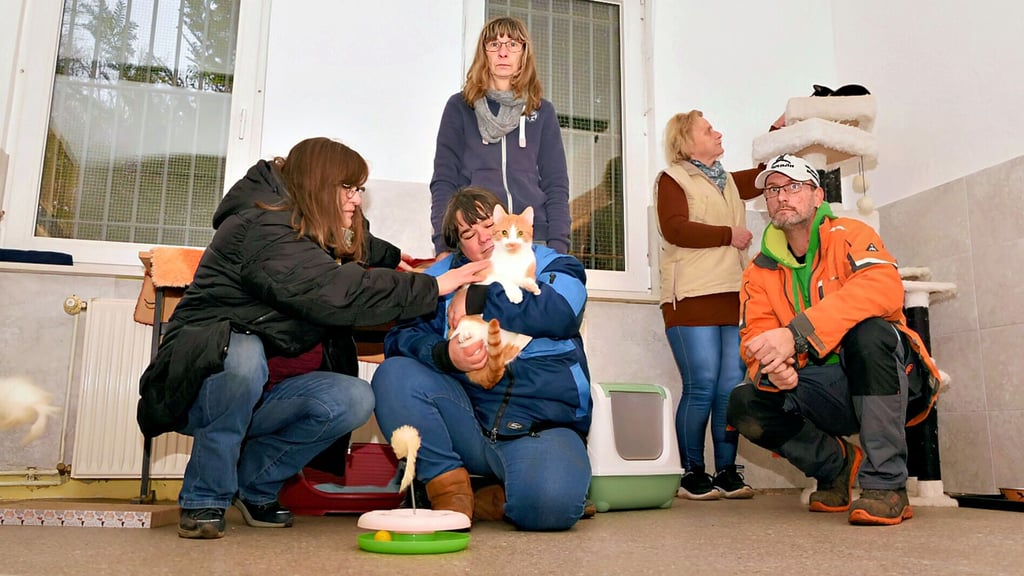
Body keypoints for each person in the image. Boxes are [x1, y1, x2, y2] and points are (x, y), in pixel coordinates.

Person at [136, 137, 488, 539]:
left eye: (360, 189)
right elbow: (335, 290)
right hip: (203, 380)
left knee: (354, 396)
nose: (356, 198)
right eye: (349, 188)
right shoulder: (261, 225)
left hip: (267, 393)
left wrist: (395, 258)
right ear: (321, 185)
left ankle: (255, 487)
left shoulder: (312, 221)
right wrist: (435, 287)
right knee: (244, 354)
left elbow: (356, 244)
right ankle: (204, 498)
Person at [726, 153, 941, 526]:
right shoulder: (758, 270)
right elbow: (755, 338)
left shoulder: (852, 234)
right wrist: (771, 369)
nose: (781, 196)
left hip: (895, 378)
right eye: (773, 189)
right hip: (827, 391)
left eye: (793, 186)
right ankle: (836, 465)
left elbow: (883, 290)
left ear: (817, 195)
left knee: (869, 331)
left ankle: (887, 485)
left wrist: (796, 336)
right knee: (743, 402)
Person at [372, 186, 591, 531]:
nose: (484, 239)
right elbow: (399, 338)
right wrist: (446, 355)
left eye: (490, 225)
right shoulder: (441, 278)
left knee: (550, 508)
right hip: (467, 420)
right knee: (393, 375)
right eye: (468, 234)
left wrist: (476, 293)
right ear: (458, 245)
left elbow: (559, 313)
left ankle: (493, 496)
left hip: (540, 425)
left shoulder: (556, 264)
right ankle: (448, 488)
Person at [655, 110, 762, 500]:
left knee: (729, 389)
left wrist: (779, 133)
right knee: (700, 386)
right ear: (685, 142)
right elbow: (674, 227)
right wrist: (727, 234)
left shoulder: (728, 182)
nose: (717, 132)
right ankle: (691, 472)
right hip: (691, 297)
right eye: (707, 129)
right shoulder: (673, 179)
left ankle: (728, 472)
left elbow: (767, 175)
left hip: (733, 295)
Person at [430, 16, 570, 257]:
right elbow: (444, 180)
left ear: (523, 54)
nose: (503, 52)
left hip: (533, 242)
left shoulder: (542, 111)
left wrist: (558, 248)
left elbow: (556, 184)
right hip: (478, 242)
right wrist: (444, 245)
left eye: (513, 44)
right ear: (484, 53)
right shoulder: (460, 107)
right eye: (494, 44)